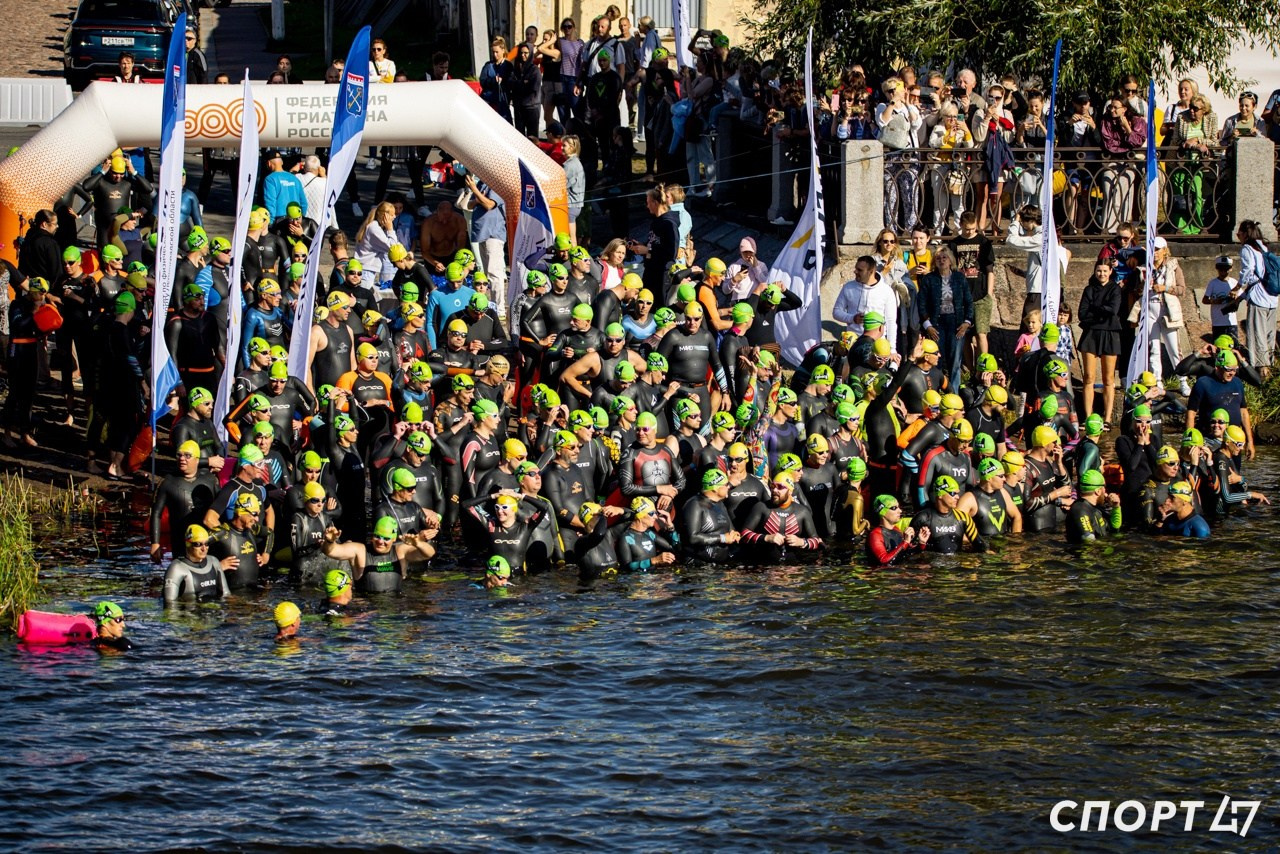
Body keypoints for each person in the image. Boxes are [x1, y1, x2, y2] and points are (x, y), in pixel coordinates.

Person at [1077, 258, 1122, 423]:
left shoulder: (1115, 289)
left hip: (1110, 334)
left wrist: (1095, 310)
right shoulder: (1089, 289)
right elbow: (1082, 313)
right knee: (1088, 376)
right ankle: (1088, 417)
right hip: (1091, 334)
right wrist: (1101, 312)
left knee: (1108, 379)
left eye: (1104, 270)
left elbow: (1113, 310)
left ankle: (1108, 418)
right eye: (1098, 270)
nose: (1101, 274)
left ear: (1110, 271)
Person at [1237, 220, 1274, 378]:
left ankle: (1260, 373)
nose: (1238, 236)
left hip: (1258, 298)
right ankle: (1271, 368)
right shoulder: (1264, 247)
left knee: (1256, 334)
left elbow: (1248, 270)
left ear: (1245, 234)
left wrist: (1238, 287)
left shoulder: (1247, 248)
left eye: (1239, 233)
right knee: (1269, 335)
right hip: (1272, 296)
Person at [163, 524, 231, 604]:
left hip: (213, 613)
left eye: (206, 544)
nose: (204, 548)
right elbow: (170, 605)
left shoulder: (213, 561)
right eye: (198, 544)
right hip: (190, 614)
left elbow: (226, 595)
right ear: (188, 544)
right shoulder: (177, 568)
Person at [1065, 469, 1123, 543]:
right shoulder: (1080, 510)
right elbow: (1089, 541)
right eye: (1104, 487)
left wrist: (1116, 507)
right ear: (1098, 491)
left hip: (1100, 550)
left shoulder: (1095, 508)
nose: (1105, 491)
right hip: (1087, 553)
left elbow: (1114, 529)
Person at [866, 494, 927, 566]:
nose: (900, 511)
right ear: (882, 512)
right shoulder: (875, 535)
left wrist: (921, 543)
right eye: (894, 508)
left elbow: (907, 554)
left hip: (898, 572)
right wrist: (905, 542)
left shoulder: (896, 530)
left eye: (899, 507)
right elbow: (884, 561)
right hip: (883, 575)